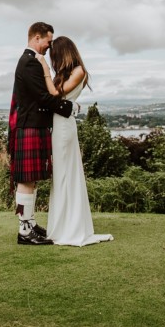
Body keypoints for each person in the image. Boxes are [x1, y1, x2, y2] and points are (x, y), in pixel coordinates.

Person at [35, 36, 114, 246]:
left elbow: (55, 93)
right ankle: (62, 225)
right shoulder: (65, 73)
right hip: (59, 124)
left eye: (55, 55)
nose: (52, 59)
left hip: (64, 128)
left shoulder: (79, 70)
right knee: (61, 176)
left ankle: (69, 227)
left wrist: (43, 67)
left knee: (65, 175)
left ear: (63, 52)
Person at [8, 22, 78, 245]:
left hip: (33, 125)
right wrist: (69, 108)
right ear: (37, 38)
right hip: (30, 126)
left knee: (31, 180)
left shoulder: (32, 61)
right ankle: (24, 231)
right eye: (48, 41)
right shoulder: (29, 62)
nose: (50, 46)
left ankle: (29, 223)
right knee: (26, 180)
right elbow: (42, 98)